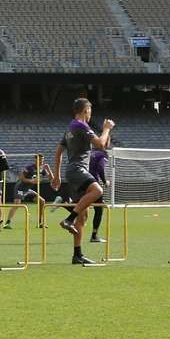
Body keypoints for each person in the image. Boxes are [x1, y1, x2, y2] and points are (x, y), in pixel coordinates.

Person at [50, 98, 112, 266]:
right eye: (90, 111)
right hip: (78, 170)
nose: (91, 115)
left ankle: (77, 255)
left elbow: (58, 152)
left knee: (83, 216)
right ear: (86, 111)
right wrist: (106, 128)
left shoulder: (70, 127)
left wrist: (57, 176)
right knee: (97, 191)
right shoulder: (81, 125)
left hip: (72, 172)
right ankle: (69, 219)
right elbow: (100, 144)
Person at [88, 143, 109, 244]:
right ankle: (94, 235)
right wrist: (105, 182)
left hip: (81, 179)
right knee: (99, 209)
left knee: (80, 205)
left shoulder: (90, 152)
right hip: (92, 182)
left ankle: (65, 203)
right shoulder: (103, 154)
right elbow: (100, 168)